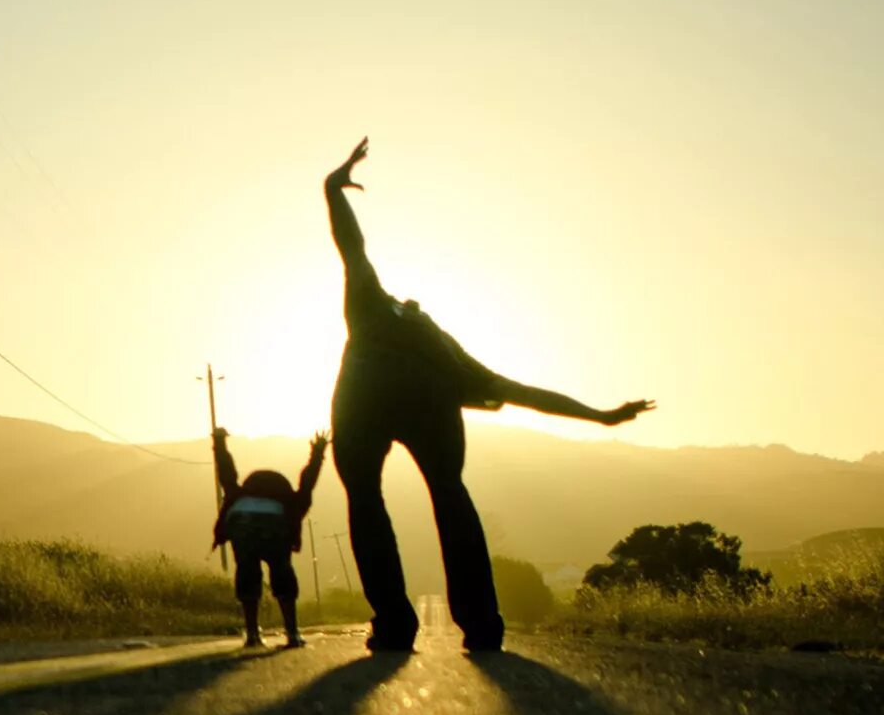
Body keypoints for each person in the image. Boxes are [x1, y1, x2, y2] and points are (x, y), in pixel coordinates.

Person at [323, 137, 653, 653]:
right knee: (450, 495)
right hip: (429, 395)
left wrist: (333, 189)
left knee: (366, 500)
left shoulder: (371, 306)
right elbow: (524, 393)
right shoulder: (447, 354)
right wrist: (602, 417)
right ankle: (481, 624)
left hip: (364, 392)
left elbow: (352, 245)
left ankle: (394, 622)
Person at [211, 425, 328, 649]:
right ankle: (292, 634)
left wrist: (219, 443)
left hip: (241, 521)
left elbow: (226, 473)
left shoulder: (241, 493)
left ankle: (253, 634)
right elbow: (308, 480)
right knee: (282, 573)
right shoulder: (292, 500)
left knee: (247, 572)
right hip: (275, 525)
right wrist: (318, 452)